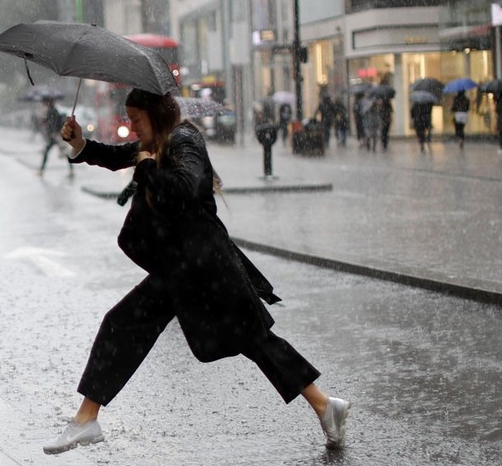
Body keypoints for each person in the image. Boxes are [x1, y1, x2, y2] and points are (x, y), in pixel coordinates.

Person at [45, 88, 351, 455]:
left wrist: (145, 167)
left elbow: (186, 188)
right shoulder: (156, 141)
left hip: (207, 267)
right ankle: (86, 418)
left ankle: (324, 405)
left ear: (155, 115)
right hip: (184, 266)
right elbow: (113, 156)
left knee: (253, 341)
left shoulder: (184, 140)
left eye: (137, 118)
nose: (132, 125)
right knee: (131, 324)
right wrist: (80, 144)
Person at [38, 96, 73, 177]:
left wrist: (46, 123)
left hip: (55, 136)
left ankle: (41, 170)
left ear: (48, 102)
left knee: (51, 152)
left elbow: (53, 123)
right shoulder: (52, 110)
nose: (43, 104)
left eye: (44, 102)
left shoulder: (52, 111)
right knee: (64, 152)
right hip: (56, 135)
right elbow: (52, 121)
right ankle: (71, 170)